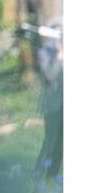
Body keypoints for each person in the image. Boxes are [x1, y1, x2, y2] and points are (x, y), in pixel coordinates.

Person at [32, 31, 63, 181]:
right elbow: (49, 76)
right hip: (52, 106)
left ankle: (52, 174)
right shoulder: (44, 53)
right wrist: (58, 57)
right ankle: (38, 172)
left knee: (62, 142)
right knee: (50, 140)